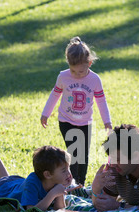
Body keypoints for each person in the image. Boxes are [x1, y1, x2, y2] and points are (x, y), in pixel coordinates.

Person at [41, 36, 113, 186]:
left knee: (84, 155)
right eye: (73, 71)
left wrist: (107, 121)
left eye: (80, 71)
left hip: (85, 122)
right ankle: (72, 184)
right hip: (66, 120)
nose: (76, 75)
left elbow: (101, 101)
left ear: (89, 63)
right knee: (74, 152)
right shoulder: (63, 76)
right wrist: (46, 113)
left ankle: (81, 182)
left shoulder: (95, 80)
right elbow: (55, 95)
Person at [0, 140, 74, 211]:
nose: (68, 173)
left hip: (15, 183)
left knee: (4, 181)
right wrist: (53, 194)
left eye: (68, 168)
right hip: (3, 190)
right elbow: (31, 210)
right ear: (48, 174)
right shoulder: (33, 182)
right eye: (64, 170)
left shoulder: (55, 182)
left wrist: (59, 192)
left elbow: (59, 209)